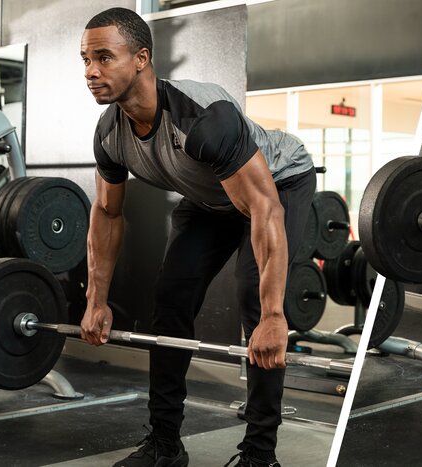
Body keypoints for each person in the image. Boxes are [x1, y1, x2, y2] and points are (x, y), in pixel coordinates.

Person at [79, 7, 315, 467]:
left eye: (105, 57)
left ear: (142, 58)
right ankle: (165, 443)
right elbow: (108, 213)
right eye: (85, 59)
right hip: (209, 199)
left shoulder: (204, 118)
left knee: (255, 299)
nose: (91, 71)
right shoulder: (110, 133)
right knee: (170, 298)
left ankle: (259, 454)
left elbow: (264, 207)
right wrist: (96, 299)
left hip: (277, 183)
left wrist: (272, 316)